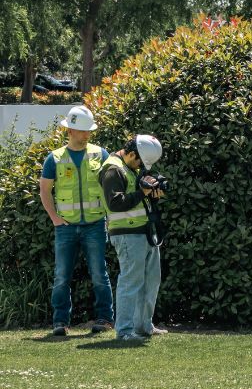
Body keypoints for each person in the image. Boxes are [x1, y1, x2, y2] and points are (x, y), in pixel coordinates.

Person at [38, 104, 114, 336]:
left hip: (95, 225)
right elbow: (44, 191)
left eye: (89, 130)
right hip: (66, 228)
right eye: (83, 130)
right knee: (61, 276)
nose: (87, 134)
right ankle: (60, 322)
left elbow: (112, 188)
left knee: (99, 274)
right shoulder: (55, 158)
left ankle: (105, 319)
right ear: (70, 130)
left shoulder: (100, 154)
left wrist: (110, 219)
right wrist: (55, 219)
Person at [99, 134, 167, 342]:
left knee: (151, 281)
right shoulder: (113, 169)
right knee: (130, 283)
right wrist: (142, 192)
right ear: (130, 153)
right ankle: (125, 331)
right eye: (139, 161)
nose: (140, 167)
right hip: (127, 234)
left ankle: (144, 326)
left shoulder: (129, 167)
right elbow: (115, 203)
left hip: (144, 231)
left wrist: (153, 192)